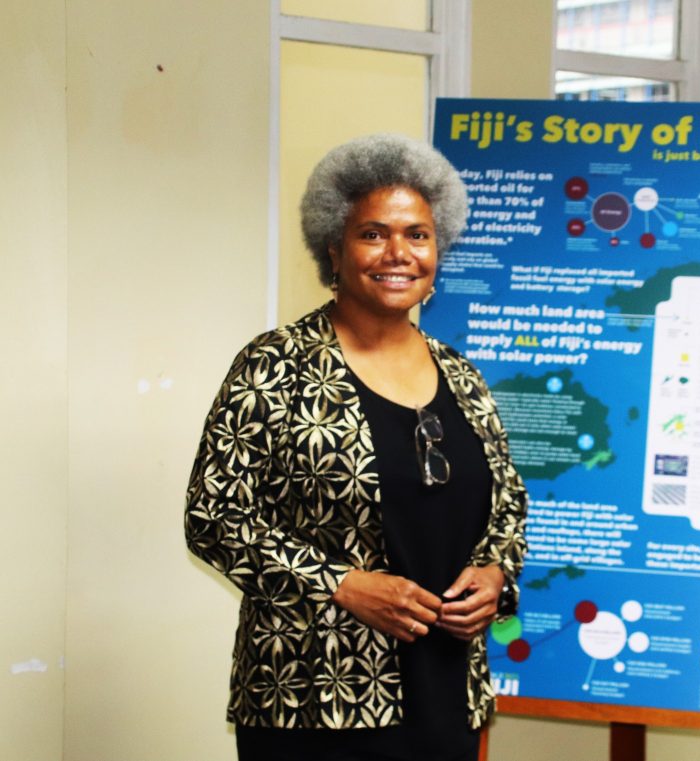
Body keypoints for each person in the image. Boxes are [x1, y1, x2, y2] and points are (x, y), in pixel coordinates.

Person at [185, 133, 528, 761]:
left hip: (448, 690)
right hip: (314, 698)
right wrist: (341, 584)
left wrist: (495, 573)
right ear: (334, 250)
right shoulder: (275, 365)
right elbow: (215, 519)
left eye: (418, 235)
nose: (399, 253)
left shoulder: (462, 375)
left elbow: (508, 506)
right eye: (374, 234)